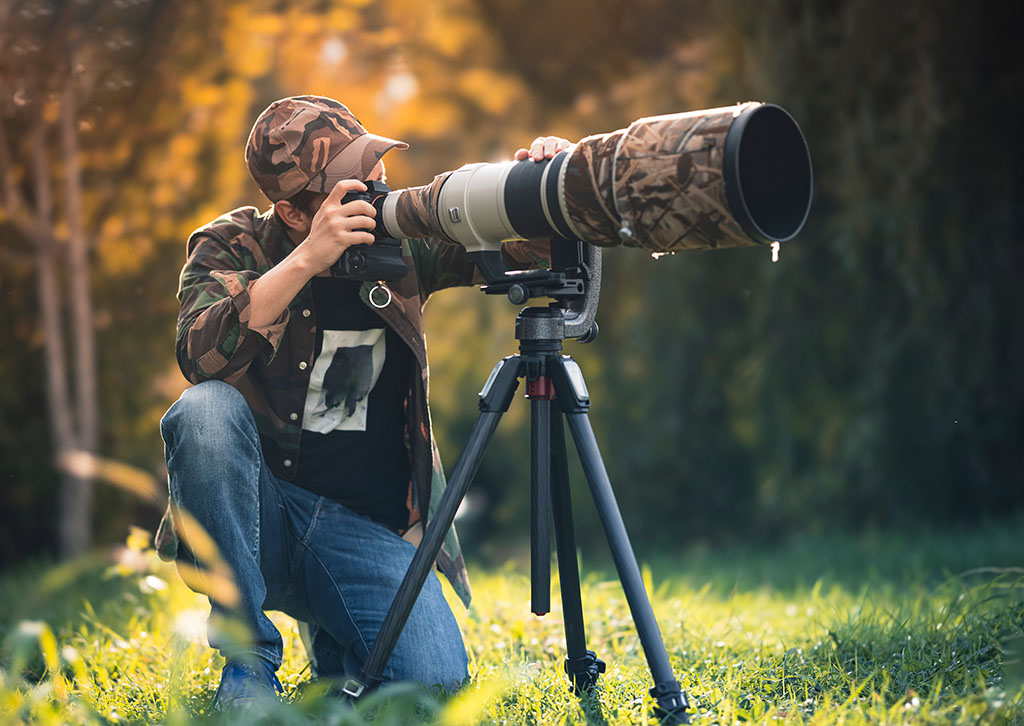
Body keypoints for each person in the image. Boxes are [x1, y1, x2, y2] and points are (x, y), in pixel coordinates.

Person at [155, 95, 570, 708]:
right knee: (204, 410)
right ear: (294, 211)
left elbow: (516, 254)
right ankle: (248, 666)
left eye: (374, 164)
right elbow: (200, 355)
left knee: (431, 684)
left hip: (362, 530)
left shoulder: (400, 241)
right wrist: (307, 260)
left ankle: (333, 629)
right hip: (258, 519)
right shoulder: (231, 244)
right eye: (354, 179)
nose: (377, 184)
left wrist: (542, 190)